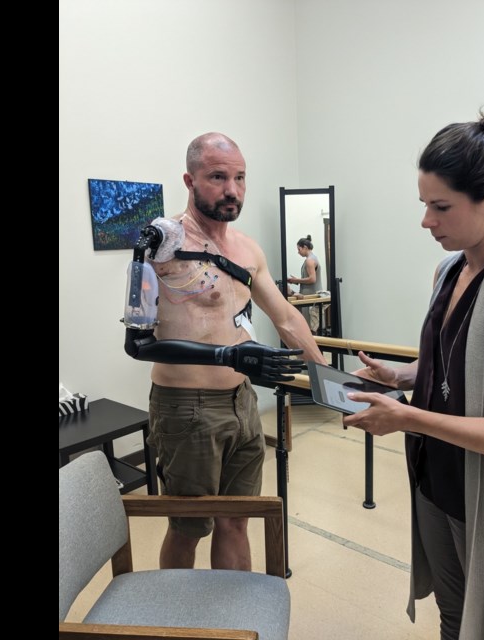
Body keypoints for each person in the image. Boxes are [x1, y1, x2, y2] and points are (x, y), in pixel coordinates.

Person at [342, 94, 484, 639]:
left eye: (442, 207)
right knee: (454, 618)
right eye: (423, 203)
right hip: (435, 481)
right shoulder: (448, 271)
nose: (426, 220)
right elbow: (458, 373)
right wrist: (402, 377)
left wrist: (409, 419)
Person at [144, 132, 327, 571]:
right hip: (186, 409)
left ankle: (233, 619)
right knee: (188, 529)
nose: (232, 189)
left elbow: (285, 317)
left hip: (243, 402)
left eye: (240, 178)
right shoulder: (161, 247)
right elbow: (140, 341)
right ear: (190, 181)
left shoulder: (247, 250)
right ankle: (179, 622)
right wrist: (224, 357)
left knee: (236, 521)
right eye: (218, 177)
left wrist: (327, 381)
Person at [287, 236, 322, 332]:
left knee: (309, 326)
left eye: (299, 249)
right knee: (310, 325)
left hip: (310, 296)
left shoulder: (310, 260)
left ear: (305, 247)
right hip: (309, 295)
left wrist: (297, 280)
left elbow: (312, 279)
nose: (298, 252)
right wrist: (297, 280)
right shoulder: (312, 258)